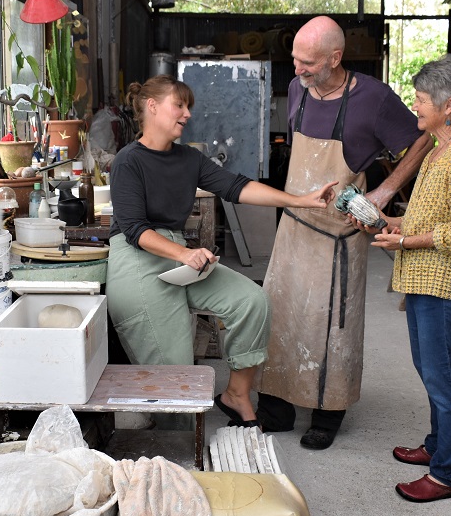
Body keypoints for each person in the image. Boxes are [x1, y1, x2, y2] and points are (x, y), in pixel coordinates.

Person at [106, 74, 335, 426]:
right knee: (176, 371)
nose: (186, 115)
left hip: (177, 254)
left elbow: (236, 187)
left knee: (251, 302)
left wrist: (300, 201)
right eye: (179, 105)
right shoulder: (127, 161)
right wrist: (183, 254)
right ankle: (174, 447)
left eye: (188, 107)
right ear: (152, 107)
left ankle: (236, 394)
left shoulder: (188, 159)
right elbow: (136, 230)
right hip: (137, 260)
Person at [252, 15, 434, 449]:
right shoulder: (297, 88)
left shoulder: (373, 97)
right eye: (294, 60)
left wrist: (387, 190)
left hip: (340, 235)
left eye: (308, 62)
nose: (297, 70)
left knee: (333, 327)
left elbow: (423, 141)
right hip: (295, 226)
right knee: (280, 318)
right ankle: (275, 409)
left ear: (336, 57)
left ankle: (326, 414)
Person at [363, 54, 451, 502]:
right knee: (431, 368)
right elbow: (435, 215)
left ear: (449, 105)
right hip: (426, 282)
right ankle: (439, 446)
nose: (414, 106)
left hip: (449, 285)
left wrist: (406, 243)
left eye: (420, 100)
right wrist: (396, 224)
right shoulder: (441, 149)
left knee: (446, 377)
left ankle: (447, 473)